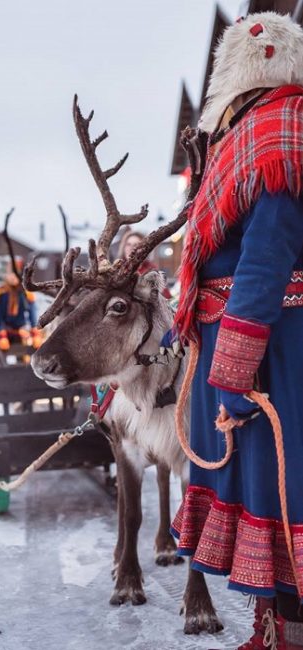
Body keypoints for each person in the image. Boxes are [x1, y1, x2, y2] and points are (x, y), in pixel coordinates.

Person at [167, 13, 303, 650]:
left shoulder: (274, 135)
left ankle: (289, 634)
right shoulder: (262, 132)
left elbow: (266, 261)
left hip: (273, 355)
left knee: (283, 490)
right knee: (271, 494)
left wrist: (233, 372)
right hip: (264, 347)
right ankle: (272, 627)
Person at [0, 261, 41, 352]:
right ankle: (0, 364)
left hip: (21, 330)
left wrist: (35, 332)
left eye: (15, 274)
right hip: (4, 330)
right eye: (9, 273)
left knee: (29, 343)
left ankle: (24, 363)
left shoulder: (26, 294)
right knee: (0, 344)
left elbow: (33, 314)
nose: (12, 277)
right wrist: (1, 334)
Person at [118, 229, 172, 297]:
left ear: (143, 249)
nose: (131, 248)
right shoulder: (117, 270)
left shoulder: (152, 270)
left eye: (136, 245)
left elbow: (166, 296)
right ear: (123, 247)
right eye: (128, 244)